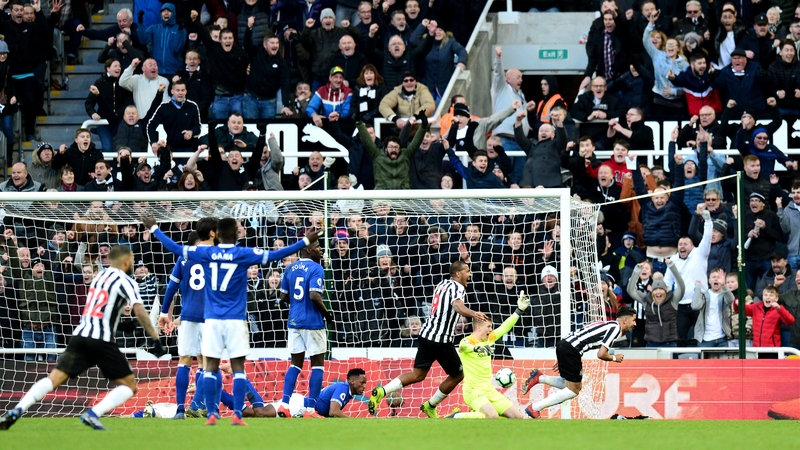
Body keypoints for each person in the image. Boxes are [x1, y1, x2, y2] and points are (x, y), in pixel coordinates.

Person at [143, 214, 319, 425]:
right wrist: (305, 241)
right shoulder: (243, 253)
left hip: (212, 319)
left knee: (209, 366)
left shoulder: (205, 252)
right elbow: (277, 254)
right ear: (235, 234)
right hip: (235, 319)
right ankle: (236, 414)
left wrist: (154, 229)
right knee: (237, 367)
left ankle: (211, 413)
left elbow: (175, 248)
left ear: (218, 233)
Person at [0, 245, 165, 431]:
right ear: (126, 261)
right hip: (101, 339)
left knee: (53, 379)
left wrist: (122, 326)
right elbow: (140, 311)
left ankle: (17, 409)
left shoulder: (99, 278)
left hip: (80, 335)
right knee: (129, 386)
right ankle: (93, 413)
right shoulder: (127, 281)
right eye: (132, 260)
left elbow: (98, 311)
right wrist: (155, 339)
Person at [368, 261, 488, 418]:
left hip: (426, 335)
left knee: (418, 374)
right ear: (458, 274)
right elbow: (457, 305)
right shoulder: (457, 287)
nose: (470, 274)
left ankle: (382, 391)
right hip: (440, 339)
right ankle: (430, 406)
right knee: (458, 375)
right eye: (467, 271)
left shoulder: (442, 284)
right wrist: (474, 314)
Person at [521, 306, 637, 418]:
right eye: (633, 320)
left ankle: (540, 378)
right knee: (573, 390)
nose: (635, 324)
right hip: (572, 349)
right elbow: (601, 354)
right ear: (625, 320)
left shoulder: (608, 324)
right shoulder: (616, 328)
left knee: (571, 385)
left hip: (565, 344)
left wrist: (564, 356)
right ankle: (535, 408)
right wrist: (615, 358)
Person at [159, 220, 218, 418]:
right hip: (210, 316)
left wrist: (164, 313)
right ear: (211, 233)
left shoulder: (184, 257)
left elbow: (171, 287)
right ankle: (209, 409)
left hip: (188, 315)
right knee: (208, 363)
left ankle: (180, 409)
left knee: (184, 361)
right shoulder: (217, 256)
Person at [448, 292, 530, 419]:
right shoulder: (467, 341)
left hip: (489, 390)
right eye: (489, 327)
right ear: (479, 328)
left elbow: (504, 327)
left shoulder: (489, 339)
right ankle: (456, 416)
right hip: (472, 391)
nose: (491, 330)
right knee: (492, 416)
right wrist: (477, 348)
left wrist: (519, 311)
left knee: (518, 418)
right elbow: (464, 347)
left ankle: (476, 414)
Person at [277, 240, 334, 418]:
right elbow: (314, 295)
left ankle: (284, 405)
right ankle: (310, 410)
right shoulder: (317, 268)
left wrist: (297, 304)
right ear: (309, 250)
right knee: (317, 365)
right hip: (312, 322)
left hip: (294, 321)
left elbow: (282, 296)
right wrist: (327, 314)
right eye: (317, 247)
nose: (320, 250)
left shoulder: (289, 268)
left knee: (295, 364)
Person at [247, 368, 367, 418]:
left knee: (260, 411)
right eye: (362, 383)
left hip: (300, 403)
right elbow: (333, 411)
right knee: (261, 413)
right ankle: (243, 381)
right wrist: (351, 420)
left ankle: (241, 409)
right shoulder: (343, 388)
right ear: (352, 381)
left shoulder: (346, 390)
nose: (364, 386)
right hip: (300, 406)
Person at [691, 268, 735, 347]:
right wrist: (697, 288)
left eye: (718, 277)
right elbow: (695, 306)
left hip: (722, 338)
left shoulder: (724, 294)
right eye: (713, 277)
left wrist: (724, 285)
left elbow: (731, 300)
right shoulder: (704, 294)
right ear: (709, 280)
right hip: (705, 339)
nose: (716, 279)